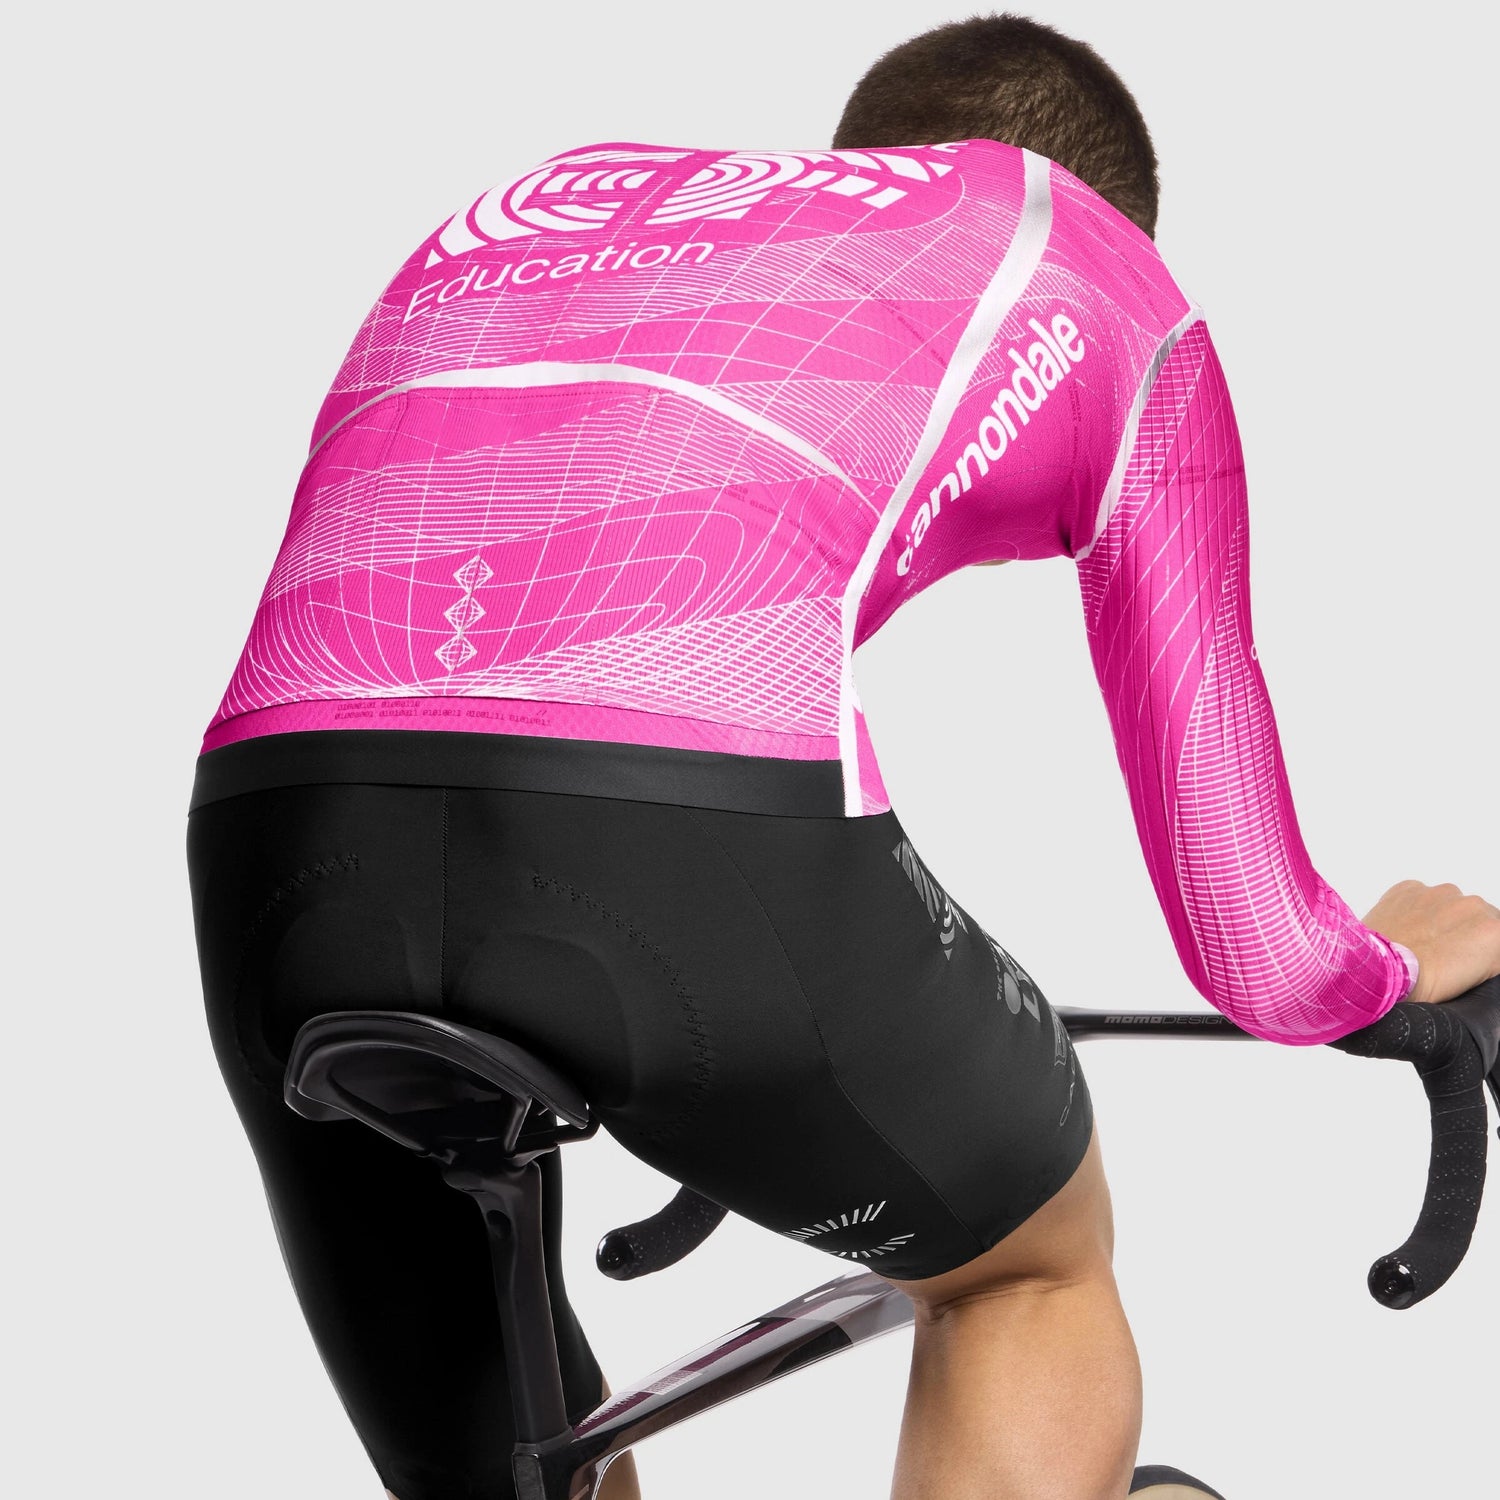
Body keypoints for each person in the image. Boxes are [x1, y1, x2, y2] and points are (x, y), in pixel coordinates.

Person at [185, 13, 1500, 1500]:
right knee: (1026, 1268)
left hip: (279, 854)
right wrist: (1383, 975)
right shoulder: (1089, 259)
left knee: (502, 1434)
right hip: (677, 843)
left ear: (849, 164)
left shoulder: (552, 194)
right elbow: (1248, 929)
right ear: (1114, 205)